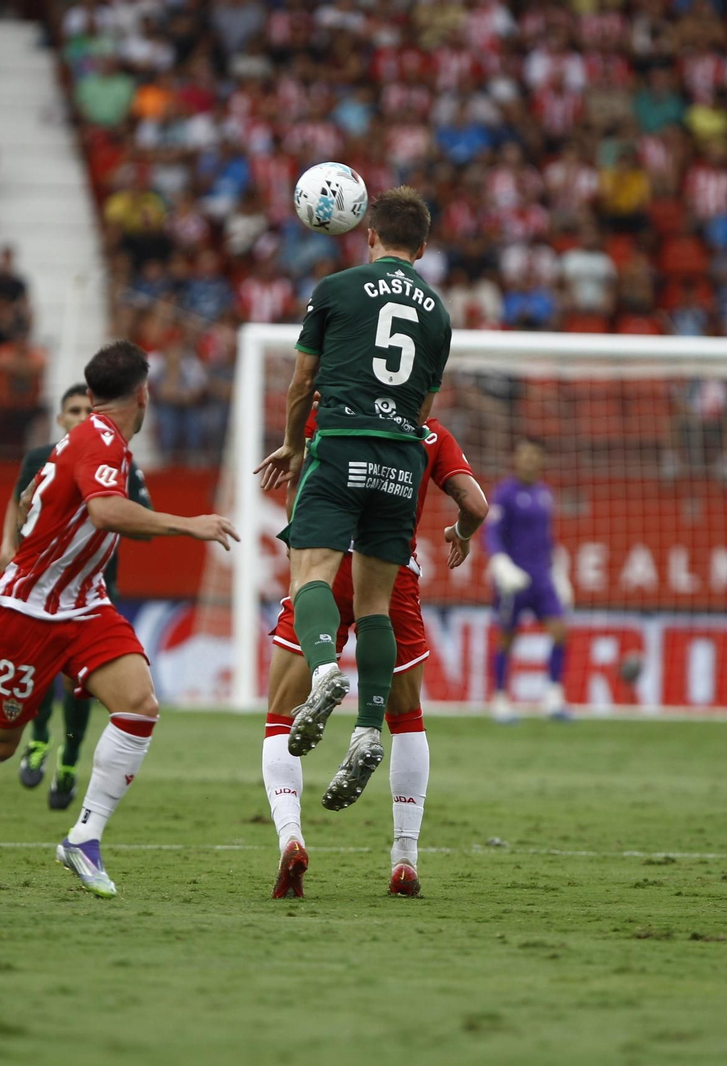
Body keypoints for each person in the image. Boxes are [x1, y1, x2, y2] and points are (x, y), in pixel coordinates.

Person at [0, 341, 238, 898]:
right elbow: (105, 511)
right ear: (145, 393)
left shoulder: (103, 445)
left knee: (139, 706)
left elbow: (112, 519)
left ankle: (83, 838)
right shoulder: (101, 440)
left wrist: (145, 522)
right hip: (25, 610)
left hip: (84, 604)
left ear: (91, 395)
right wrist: (190, 525)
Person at [255, 186, 453, 812]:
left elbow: (302, 381)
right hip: (401, 458)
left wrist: (292, 444)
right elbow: (425, 411)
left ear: (368, 234)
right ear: (421, 248)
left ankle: (322, 672)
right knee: (374, 605)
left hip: (339, 443)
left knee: (310, 572)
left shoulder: (337, 289)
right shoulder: (439, 314)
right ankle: (368, 728)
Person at [263, 413, 486, 899]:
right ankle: (404, 857)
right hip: (391, 576)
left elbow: (297, 478)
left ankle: (291, 839)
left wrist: (297, 544)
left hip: (325, 564)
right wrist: (461, 533)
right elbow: (475, 503)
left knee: (280, 716)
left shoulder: (329, 412)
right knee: (406, 718)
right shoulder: (430, 433)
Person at [0, 384, 153, 809]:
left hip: (94, 587)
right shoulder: (40, 457)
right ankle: (41, 737)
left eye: (88, 408)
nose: (83, 415)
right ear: (60, 419)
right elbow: (18, 501)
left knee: (79, 682)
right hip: (43, 585)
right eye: (73, 410)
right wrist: (5, 546)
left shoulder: (120, 460)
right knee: (40, 672)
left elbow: (139, 512)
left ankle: (67, 759)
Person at [485, 439, 572, 722]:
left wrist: (558, 572)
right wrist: (500, 563)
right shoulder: (505, 493)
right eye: (522, 456)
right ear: (516, 460)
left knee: (559, 630)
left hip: (542, 577)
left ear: (540, 461)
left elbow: (546, 537)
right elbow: (492, 533)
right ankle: (499, 699)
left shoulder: (545, 493)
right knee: (507, 637)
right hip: (514, 578)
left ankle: (553, 698)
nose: (527, 461)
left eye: (533, 456)